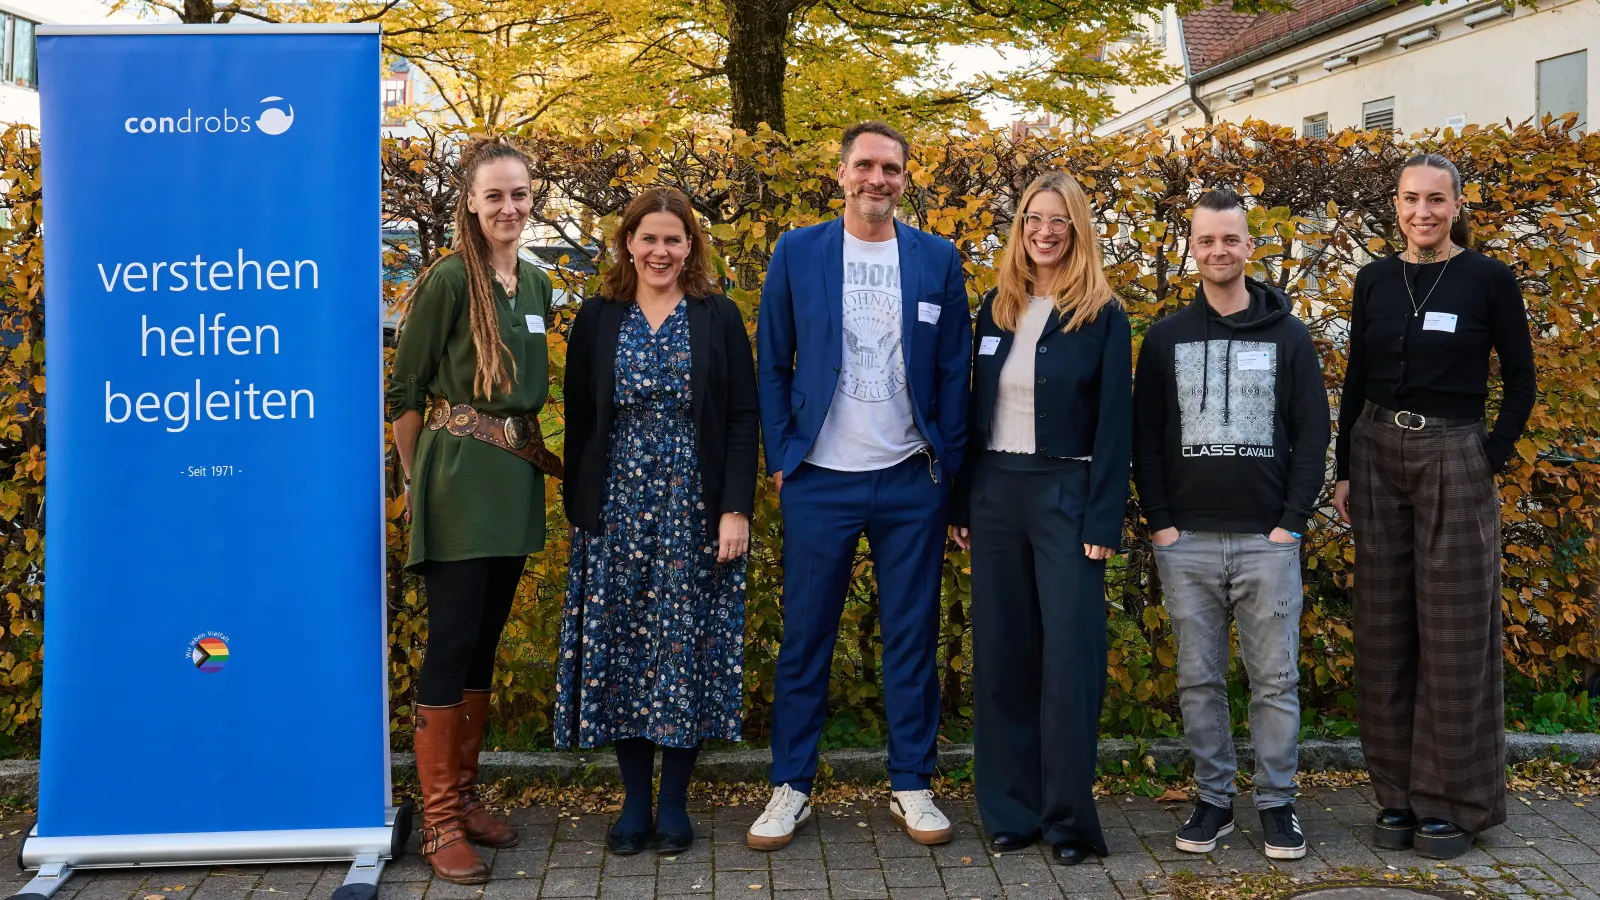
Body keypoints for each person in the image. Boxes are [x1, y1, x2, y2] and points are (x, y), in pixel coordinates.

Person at [749, 120, 972, 850]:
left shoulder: (937, 259)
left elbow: (953, 373)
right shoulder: (799, 250)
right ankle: (792, 787)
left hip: (912, 479)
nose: (879, 179)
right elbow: (773, 359)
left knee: (912, 638)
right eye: (866, 166)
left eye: (893, 169)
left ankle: (911, 785)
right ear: (841, 174)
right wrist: (784, 452)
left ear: (906, 180)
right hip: (820, 479)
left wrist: (952, 471)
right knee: (806, 639)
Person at [1332, 154, 1536, 860]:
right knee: (1384, 630)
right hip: (1376, 453)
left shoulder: (1488, 280)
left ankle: (1453, 802)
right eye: (1411, 199)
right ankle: (1396, 795)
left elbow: (1522, 382)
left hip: (1454, 453)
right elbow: (1357, 372)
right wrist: (1343, 470)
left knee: (1454, 634)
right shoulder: (1375, 280)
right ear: (1395, 204)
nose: (1423, 212)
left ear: (1457, 205)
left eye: (1436, 201)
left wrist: (1489, 455)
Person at [556, 187, 758, 856]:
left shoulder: (717, 315)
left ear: (691, 246)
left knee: (681, 647)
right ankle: (633, 803)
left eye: (674, 239)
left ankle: (674, 805)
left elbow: (739, 417)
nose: (661, 251)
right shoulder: (598, 317)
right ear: (628, 244)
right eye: (649, 238)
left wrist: (735, 507)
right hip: (615, 503)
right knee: (623, 648)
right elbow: (581, 419)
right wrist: (581, 509)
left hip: (692, 504)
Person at [1132, 188, 1330, 862]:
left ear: (1250, 245)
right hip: (1184, 541)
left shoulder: (1289, 335)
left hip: (1265, 542)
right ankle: (1213, 799)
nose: (1219, 251)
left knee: (1275, 680)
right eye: (1207, 240)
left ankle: (1278, 804)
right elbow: (1146, 439)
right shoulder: (1164, 339)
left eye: (1230, 239)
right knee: (1198, 680)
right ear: (1193, 248)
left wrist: (1290, 525)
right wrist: (1161, 525)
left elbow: (1313, 434)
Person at [387, 136, 559, 884]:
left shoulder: (537, 284)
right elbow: (406, 391)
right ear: (470, 201)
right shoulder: (449, 280)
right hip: (456, 479)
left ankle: (465, 796)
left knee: (484, 643)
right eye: (494, 195)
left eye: (519, 194)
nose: (509, 208)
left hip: (513, 478)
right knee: (452, 641)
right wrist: (414, 484)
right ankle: (439, 822)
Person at [946, 171, 1130, 865]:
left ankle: (1068, 822)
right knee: (1002, 657)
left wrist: (1102, 521)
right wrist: (963, 500)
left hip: (1066, 496)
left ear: (1077, 230)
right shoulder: (996, 305)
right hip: (996, 493)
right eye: (1032, 220)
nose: (1044, 232)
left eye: (1058, 221)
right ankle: (1009, 812)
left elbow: (1115, 427)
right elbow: (972, 410)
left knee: (1070, 663)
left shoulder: (1102, 314)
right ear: (1020, 229)